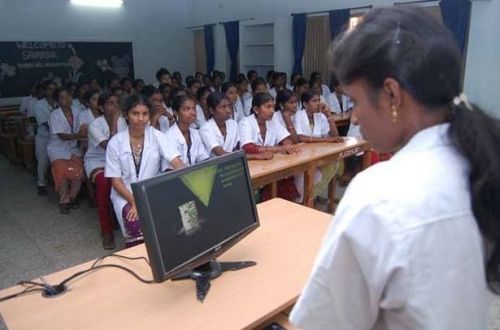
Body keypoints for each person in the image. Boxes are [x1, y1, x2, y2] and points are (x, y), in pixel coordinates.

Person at [290, 7, 500, 330]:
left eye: (356, 101)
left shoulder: (379, 195)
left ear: (391, 95)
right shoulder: (480, 163)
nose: (355, 118)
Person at [106, 95, 184, 247]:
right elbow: (116, 181)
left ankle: (170, 255)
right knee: (135, 222)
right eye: (135, 113)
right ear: (126, 115)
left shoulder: (157, 136)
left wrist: (188, 182)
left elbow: (176, 161)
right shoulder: (116, 143)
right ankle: (140, 259)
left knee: (182, 213)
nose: (140, 118)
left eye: (145, 114)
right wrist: (135, 202)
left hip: (152, 191)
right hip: (126, 194)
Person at [84, 93, 128, 249]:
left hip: (118, 162)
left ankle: (125, 220)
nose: (115, 106)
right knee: (104, 181)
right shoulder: (95, 125)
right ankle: (106, 231)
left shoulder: (123, 122)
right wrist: (115, 125)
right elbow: (111, 147)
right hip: (98, 161)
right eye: (110, 103)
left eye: (116, 103)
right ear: (101, 108)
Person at [239, 92, 300, 200]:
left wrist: (287, 145)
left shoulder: (273, 121)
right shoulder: (246, 122)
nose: (272, 111)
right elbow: (248, 148)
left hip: (270, 164)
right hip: (253, 167)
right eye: (268, 107)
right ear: (256, 109)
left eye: (273, 107)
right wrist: (280, 148)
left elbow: (287, 138)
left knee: (286, 177)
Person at [293, 90, 344, 202]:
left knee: (334, 163)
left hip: (317, 153)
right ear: (305, 104)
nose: (318, 104)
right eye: (314, 101)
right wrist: (325, 139)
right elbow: (300, 137)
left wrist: (329, 115)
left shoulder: (320, 116)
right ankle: (302, 200)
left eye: (319, 101)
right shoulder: (299, 115)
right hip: (302, 155)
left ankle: (312, 196)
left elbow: (334, 135)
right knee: (306, 177)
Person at [47, 87, 86, 214]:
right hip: (58, 149)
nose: (67, 100)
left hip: (73, 148)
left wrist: (83, 132)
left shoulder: (78, 110)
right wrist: (79, 135)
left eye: (68, 96)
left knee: (78, 173)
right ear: (58, 101)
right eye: (63, 98)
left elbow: (83, 126)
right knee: (61, 173)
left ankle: (72, 197)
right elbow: (61, 136)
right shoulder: (55, 115)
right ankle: (64, 200)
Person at [165, 95, 209, 166]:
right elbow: (170, 169)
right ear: (176, 113)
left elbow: (203, 158)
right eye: (187, 109)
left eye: (194, 108)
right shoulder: (168, 136)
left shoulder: (195, 133)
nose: (193, 113)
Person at [34, 80, 57, 196]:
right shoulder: (39, 104)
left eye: (54, 89)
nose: (52, 92)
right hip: (44, 137)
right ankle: (41, 184)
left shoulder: (59, 103)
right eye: (49, 89)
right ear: (44, 91)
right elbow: (45, 123)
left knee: (58, 160)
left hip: (58, 138)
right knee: (43, 161)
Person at [199, 92, 239, 157]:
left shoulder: (233, 124)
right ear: (212, 110)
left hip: (234, 162)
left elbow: (237, 148)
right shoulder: (206, 129)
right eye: (223, 107)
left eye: (229, 106)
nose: (228, 110)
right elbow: (220, 154)